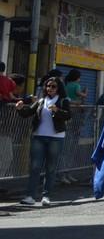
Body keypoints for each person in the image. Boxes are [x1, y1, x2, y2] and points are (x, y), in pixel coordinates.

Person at [16, 76, 72, 206]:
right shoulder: (41, 101)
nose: (50, 88)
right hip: (39, 137)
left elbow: (68, 115)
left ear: (58, 88)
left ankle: (46, 196)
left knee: (51, 168)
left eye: (53, 86)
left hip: (56, 137)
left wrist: (57, 110)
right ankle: (30, 196)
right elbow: (28, 112)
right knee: (35, 167)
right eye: (48, 86)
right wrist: (19, 108)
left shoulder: (63, 101)